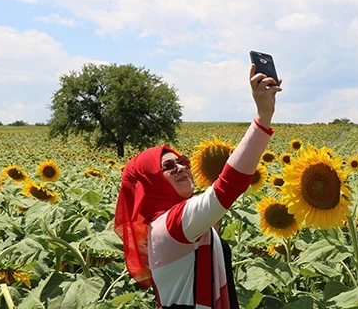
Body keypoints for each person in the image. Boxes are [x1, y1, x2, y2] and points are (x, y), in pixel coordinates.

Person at [114, 64, 282, 309]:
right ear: (150, 183)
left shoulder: (177, 224)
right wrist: (263, 118)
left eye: (182, 161)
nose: (181, 167)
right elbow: (228, 187)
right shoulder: (170, 225)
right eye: (168, 167)